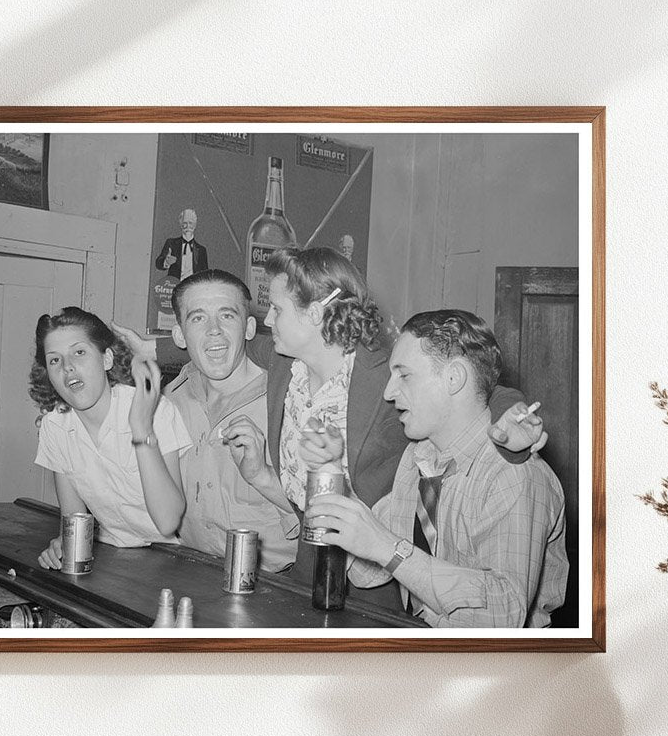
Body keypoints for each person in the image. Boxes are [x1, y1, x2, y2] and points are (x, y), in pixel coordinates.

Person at [228, 247, 544, 592]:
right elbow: (224, 349)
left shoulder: (383, 376)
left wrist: (512, 421)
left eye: (276, 309)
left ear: (314, 314)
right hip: (313, 564)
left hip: (386, 578)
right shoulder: (283, 363)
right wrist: (158, 350)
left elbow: (481, 388)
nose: (267, 320)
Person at [303, 310, 568, 628]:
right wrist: (333, 476)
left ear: (454, 378)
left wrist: (387, 547)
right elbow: (368, 572)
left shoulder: (513, 474)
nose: (388, 393)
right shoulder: (418, 459)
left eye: (403, 375)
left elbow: (501, 617)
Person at [29, 307, 190, 569]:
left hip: (178, 558)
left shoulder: (155, 409)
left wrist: (141, 429)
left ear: (106, 359)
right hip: (116, 555)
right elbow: (74, 518)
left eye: (79, 352)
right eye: (54, 360)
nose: (68, 367)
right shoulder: (55, 426)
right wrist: (64, 541)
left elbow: (168, 522)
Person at [164, 270, 299, 571]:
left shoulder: (289, 402)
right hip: (191, 570)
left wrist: (262, 475)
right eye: (198, 318)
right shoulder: (169, 402)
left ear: (249, 328)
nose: (214, 330)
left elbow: (326, 518)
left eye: (227, 316)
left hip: (274, 584)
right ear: (179, 335)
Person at [155, 208, 209, 281]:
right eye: (184, 223)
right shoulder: (171, 243)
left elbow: (205, 275)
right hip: (174, 285)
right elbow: (158, 263)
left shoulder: (201, 250)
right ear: (180, 225)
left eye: (190, 223)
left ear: (195, 225)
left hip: (192, 287)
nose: (187, 226)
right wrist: (166, 261)